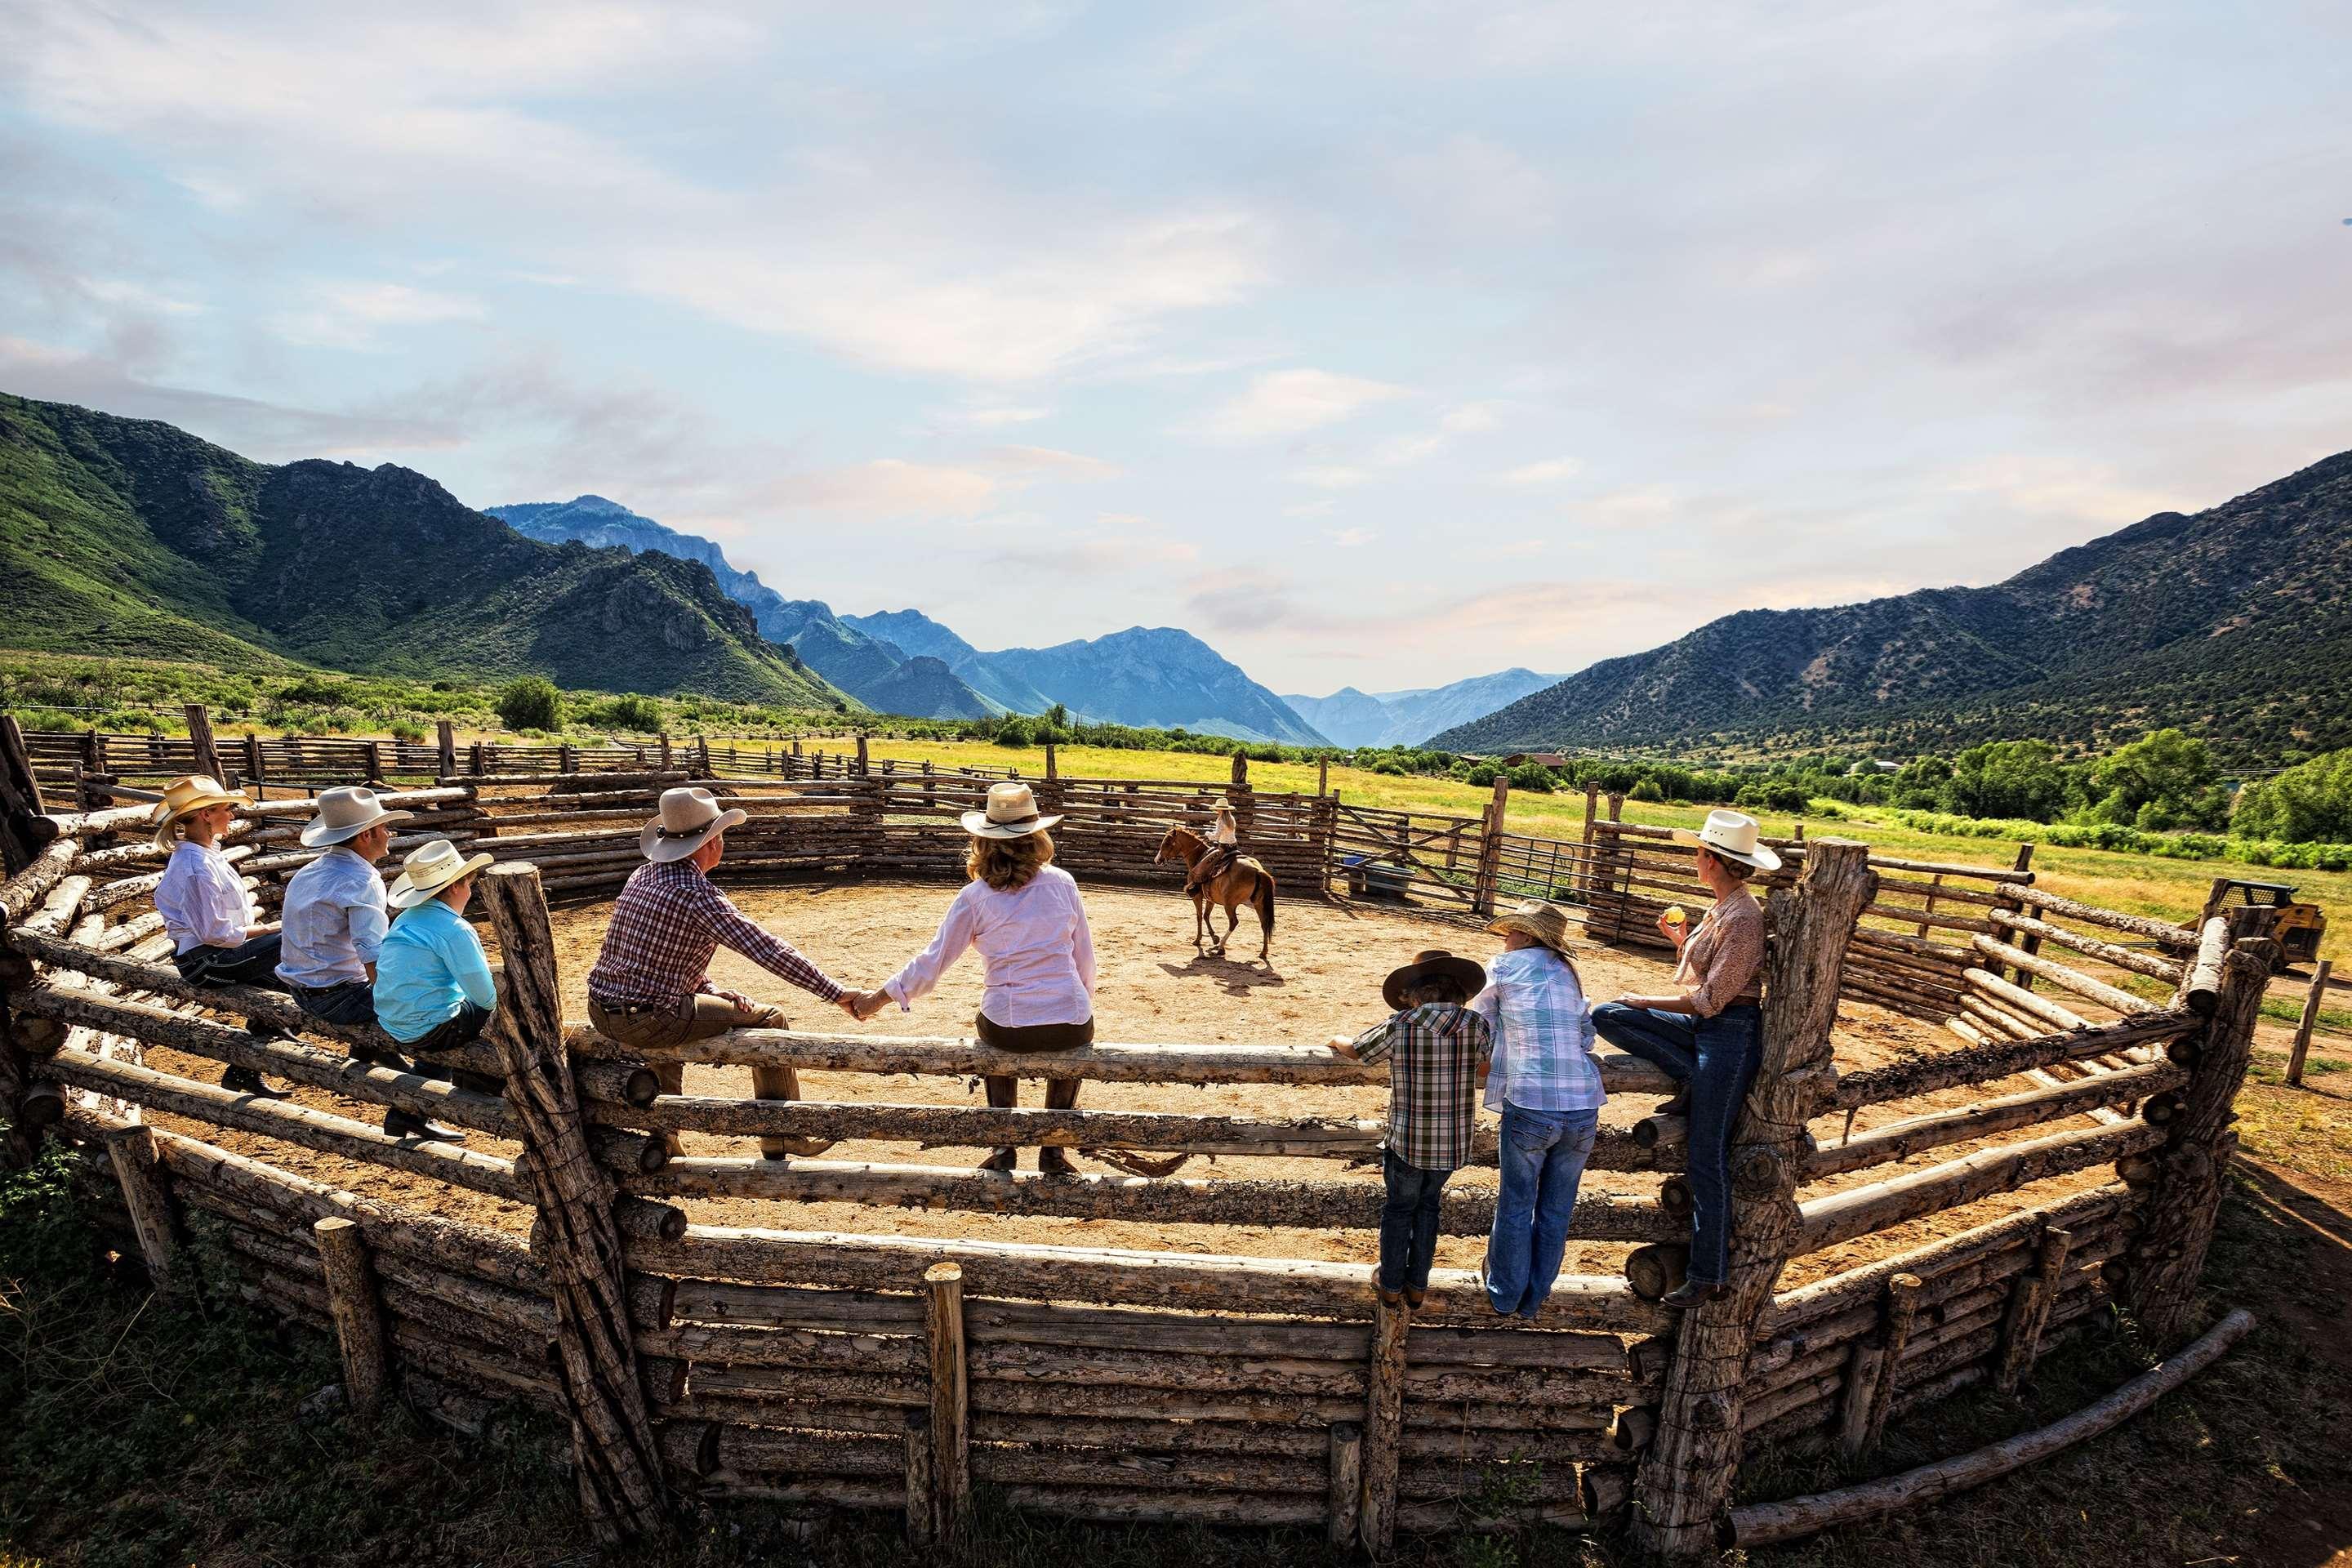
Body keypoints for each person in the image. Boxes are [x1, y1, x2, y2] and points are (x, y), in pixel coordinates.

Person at [587, 787, 858, 1160]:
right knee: (769, 1018)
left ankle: (665, 1137)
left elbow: (653, 957)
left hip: (602, 1010)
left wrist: (710, 989)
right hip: (650, 1017)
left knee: (662, 1025)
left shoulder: (643, 876)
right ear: (710, 842)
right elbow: (766, 949)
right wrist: (836, 992)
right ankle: (783, 1133)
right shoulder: (699, 895)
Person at [850, 782, 1096, 1177]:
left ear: (986, 841)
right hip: (1069, 1019)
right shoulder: (1063, 883)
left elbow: (934, 962)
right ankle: (1053, 1149)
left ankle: (1004, 1146)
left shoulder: (974, 897)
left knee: (992, 1023)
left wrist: (877, 998)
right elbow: (1084, 958)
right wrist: (1078, 1008)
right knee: (1067, 1038)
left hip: (1008, 1024)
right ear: (1036, 837)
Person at [1590, 809, 1778, 1309]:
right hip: (1709, 1027)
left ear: (1714, 861)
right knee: (1608, 1014)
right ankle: (1693, 1077)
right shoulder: (1723, 910)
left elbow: (1714, 999)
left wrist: (1647, 1001)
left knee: (1705, 1153)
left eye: (1699, 853)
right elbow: (1704, 980)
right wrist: (1681, 942)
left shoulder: (1742, 919)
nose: (1694, 860)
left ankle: (1708, 1274)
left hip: (1727, 1031)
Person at [278, 786, 464, 1140]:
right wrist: (402, 1006)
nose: (389, 833)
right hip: (337, 996)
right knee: (442, 1016)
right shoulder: (361, 880)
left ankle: (369, 1050)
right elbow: (372, 954)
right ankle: (412, 1109)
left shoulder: (310, 871)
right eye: (384, 827)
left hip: (304, 988)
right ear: (367, 835)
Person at [1329, 949, 1492, 1311]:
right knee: (1429, 1209)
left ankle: (1390, 1285)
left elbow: (1357, 1050)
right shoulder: (1478, 1024)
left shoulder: (1401, 1024)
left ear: (1415, 993)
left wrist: (1337, 1039)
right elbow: (1485, 1069)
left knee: (1399, 1209)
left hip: (1408, 1139)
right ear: (1459, 992)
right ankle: (1417, 1285)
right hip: (1452, 1141)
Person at [1470, 900, 1604, 1320]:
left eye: (1511, 932)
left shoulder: (1503, 967)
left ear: (1525, 936)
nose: (1506, 939)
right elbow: (1586, 1037)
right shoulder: (1568, 972)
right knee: (1556, 1207)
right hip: (1583, 1104)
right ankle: (1534, 1298)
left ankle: (1505, 1293)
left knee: (1515, 1202)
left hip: (1531, 1101)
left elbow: (1479, 1022)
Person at [150, 773, 292, 1099]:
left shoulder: (205, 856)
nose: (231, 815)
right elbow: (215, 933)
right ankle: (264, 1048)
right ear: (206, 814)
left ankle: (244, 1069)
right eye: (226, 809)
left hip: (216, 956)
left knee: (293, 985)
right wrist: (272, 929)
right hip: (207, 961)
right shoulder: (197, 866)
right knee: (294, 942)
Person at [373, 840, 500, 1120]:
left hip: (393, 1020)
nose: (470, 890)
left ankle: (407, 1112)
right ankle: (486, 1079)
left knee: (444, 1010)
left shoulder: (408, 918)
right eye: (468, 883)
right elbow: (486, 998)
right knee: (500, 1010)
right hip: (431, 1027)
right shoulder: (455, 928)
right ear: (455, 887)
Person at [1184, 798, 1241, 897]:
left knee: (1205, 864)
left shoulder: (1220, 820)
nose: (1216, 810)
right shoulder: (1231, 818)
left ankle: (1197, 886)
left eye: (1217, 809)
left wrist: (1207, 834)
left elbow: (1216, 837)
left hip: (1223, 848)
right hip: (1234, 847)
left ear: (1220, 809)